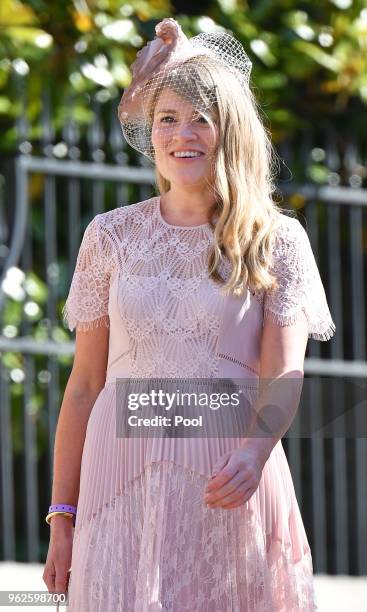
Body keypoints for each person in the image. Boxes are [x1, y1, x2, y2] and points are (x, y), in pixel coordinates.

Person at [42, 17, 336, 611]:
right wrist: (63, 516)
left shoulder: (276, 239)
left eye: (202, 118)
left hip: (225, 479)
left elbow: (284, 372)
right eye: (167, 119)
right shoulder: (110, 235)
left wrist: (254, 453)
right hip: (117, 484)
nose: (184, 134)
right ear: (151, 134)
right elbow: (84, 388)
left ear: (231, 131)